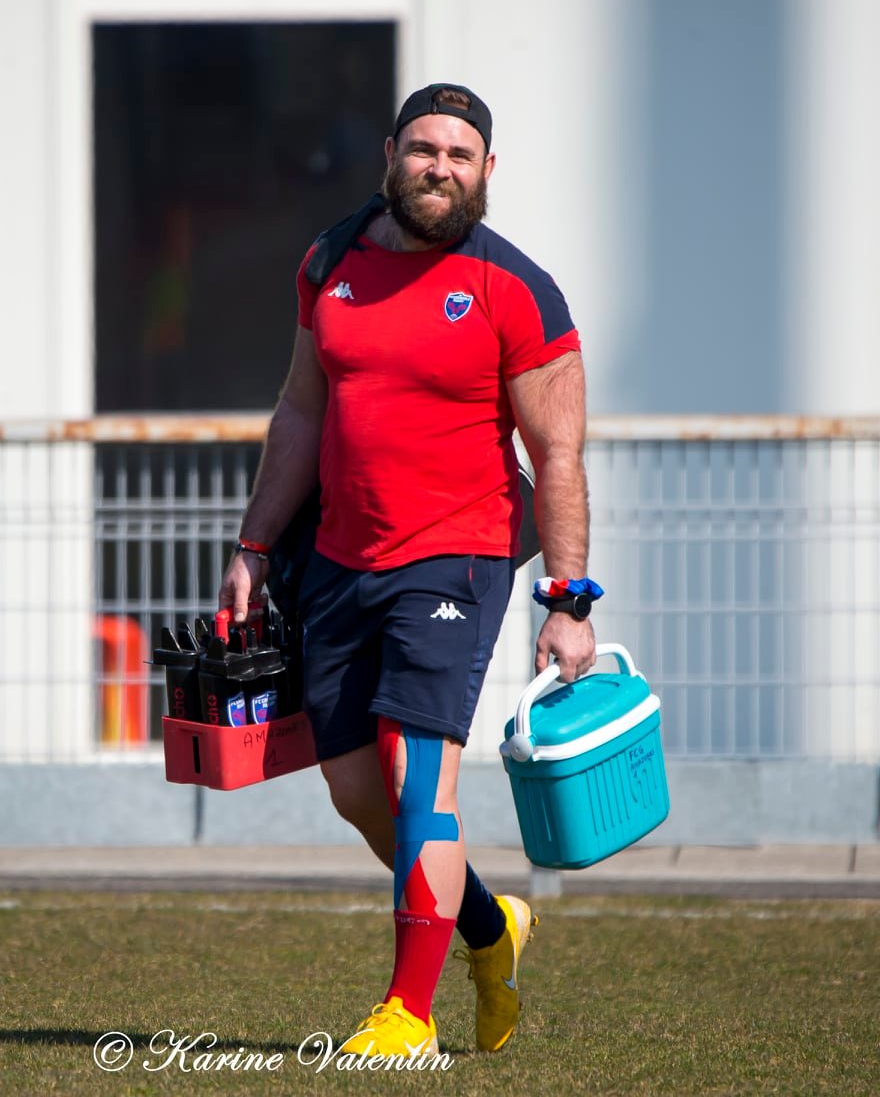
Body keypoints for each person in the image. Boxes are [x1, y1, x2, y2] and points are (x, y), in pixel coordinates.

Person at [219, 83, 596, 1058]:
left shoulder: (518, 288)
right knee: (359, 793)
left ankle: (408, 1014)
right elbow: (301, 410)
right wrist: (255, 547)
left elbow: (558, 452)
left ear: (487, 171)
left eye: (461, 155)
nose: (440, 167)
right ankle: (489, 927)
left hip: (459, 559)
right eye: (425, 148)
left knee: (417, 775)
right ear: (391, 153)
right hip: (340, 559)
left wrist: (569, 597)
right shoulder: (330, 259)